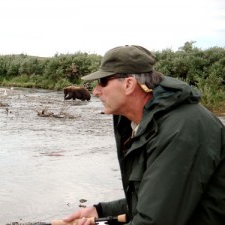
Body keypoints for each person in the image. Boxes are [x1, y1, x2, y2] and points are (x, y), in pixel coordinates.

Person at [63, 45, 225, 225]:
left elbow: (155, 220)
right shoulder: (144, 123)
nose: (95, 91)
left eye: (102, 82)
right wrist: (100, 211)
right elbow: (154, 200)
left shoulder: (181, 130)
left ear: (129, 84)